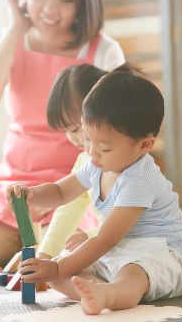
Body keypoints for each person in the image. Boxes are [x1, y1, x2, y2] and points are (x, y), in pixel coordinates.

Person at [0, 0, 125, 267]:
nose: (49, 10)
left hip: (76, 178)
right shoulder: (11, 40)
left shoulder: (103, 50)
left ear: (83, 4)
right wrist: (16, 29)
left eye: (65, 0)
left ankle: (37, 248)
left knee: (71, 249)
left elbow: (116, 126)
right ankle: (31, 244)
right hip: (16, 175)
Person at [6, 70, 182, 315]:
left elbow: (106, 239)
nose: (92, 153)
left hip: (159, 255)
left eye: (104, 147)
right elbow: (61, 192)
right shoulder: (97, 164)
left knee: (131, 274)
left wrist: (58, 267)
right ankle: (97, 289)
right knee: (57, 274)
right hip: (117, 251)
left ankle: (111, 293)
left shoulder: (139, 179)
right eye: (87, 139)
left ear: (144, 145)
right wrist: (33, 194)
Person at [38, 63, 144, 260]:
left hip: (140, 250)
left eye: (76, 129)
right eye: (67, 131)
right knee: (61, 270)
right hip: (106, 247)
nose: (73, 138)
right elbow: (68, 207)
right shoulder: (84, 162)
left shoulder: (129, 163)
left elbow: (132, 225)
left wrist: (90, 237)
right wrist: (45, 254)